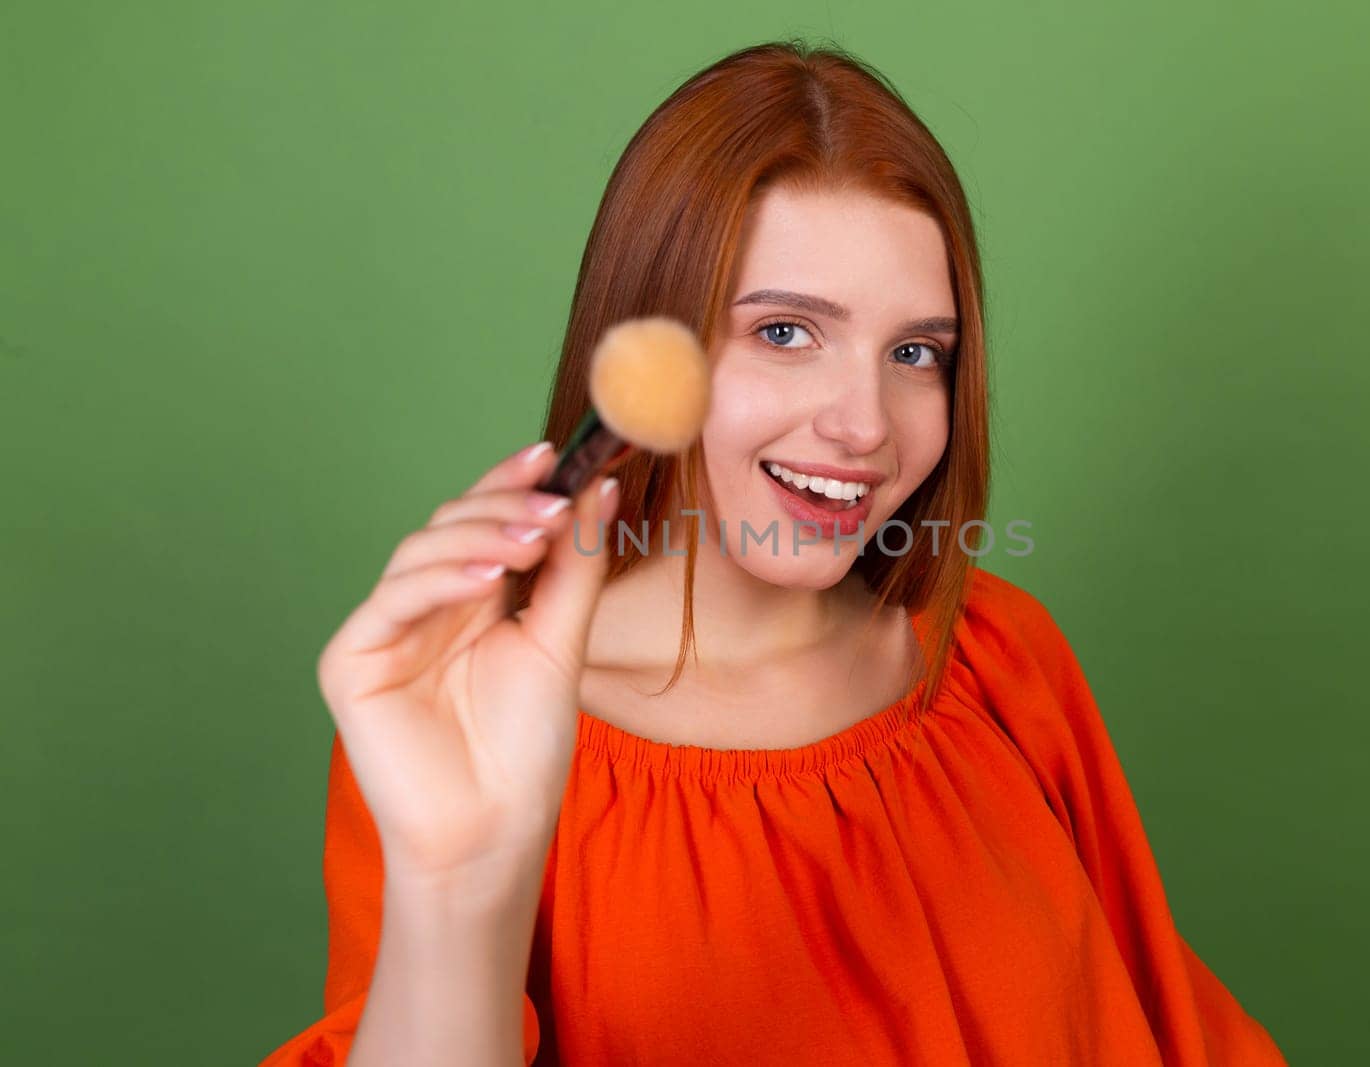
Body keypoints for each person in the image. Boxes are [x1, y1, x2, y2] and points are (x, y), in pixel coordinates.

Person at [261, 40, 1288, 1066]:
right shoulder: (475, 720)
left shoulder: (1000, 658)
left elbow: (1164, 1023)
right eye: (787, 332)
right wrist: (457, 883)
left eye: (915, 352)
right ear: (649, 345)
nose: (864, 425)